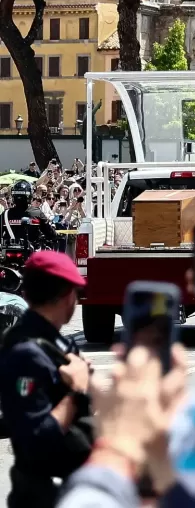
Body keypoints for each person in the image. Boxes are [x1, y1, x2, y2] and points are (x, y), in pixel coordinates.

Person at [0, 252, 94, 508]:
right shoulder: (26, 352)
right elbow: (36, 438)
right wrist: (76, 392)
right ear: (69, 296)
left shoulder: (55, 341)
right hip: (44, 495)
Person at [1, 180, 59, 249]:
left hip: (9, 251)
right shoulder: (37, 212)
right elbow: (50, 233)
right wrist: (55, 235)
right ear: (30, 196)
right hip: (31, 251)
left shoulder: (5, 214)